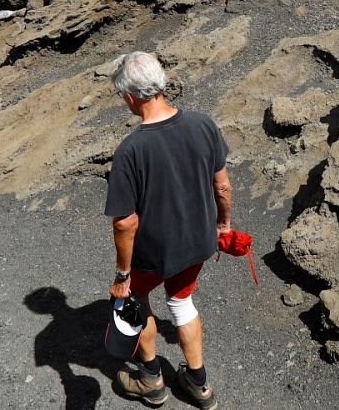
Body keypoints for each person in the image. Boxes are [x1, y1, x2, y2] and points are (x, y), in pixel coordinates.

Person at [105, 52, 231, 410]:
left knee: (134, 300)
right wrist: (222, 226)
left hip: (154, 253)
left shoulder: (131, 150)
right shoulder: (204, 124)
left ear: (130, 96)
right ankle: (198, 384)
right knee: (181, 301)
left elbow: (126, 222)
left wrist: (122, 274)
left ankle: (150, 379)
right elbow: (222, 186)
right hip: (198, 241)